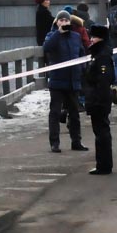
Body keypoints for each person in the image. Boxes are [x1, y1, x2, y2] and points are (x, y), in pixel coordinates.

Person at [43, 10, 87, 152]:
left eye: (66, 21)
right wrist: (58, 33)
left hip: (73, 80)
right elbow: (47, 48)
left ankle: (76, 141)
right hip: (57, 80)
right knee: (55, 112)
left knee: (74, 113)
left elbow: (82, 53)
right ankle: (54, 142)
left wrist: (82, 68)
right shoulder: (52, 36)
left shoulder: (76, 36)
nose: (64, 23)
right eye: (61, 20)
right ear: (56, 22)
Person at [83, 25, 115, 174]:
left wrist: (99, 101)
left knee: (101, 132)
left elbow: (103, 80)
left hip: (99, 99)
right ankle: (102, 163)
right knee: (100, 132)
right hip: (97, 98)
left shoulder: (102, 56)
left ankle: (104, 165)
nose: (91, 40)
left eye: (93, 37)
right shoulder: (99, 54)